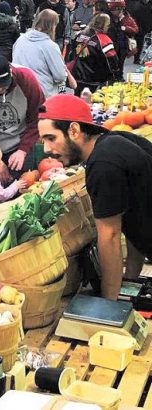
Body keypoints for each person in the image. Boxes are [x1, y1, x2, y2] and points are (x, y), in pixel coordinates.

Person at [37, 94, 152, 300]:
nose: (46, 150)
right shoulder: (117, 141)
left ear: (74, 130)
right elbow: (136, 217)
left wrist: (108, 306)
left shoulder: (102, 166)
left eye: (51, 138)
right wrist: (131, 280)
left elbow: (110, 238)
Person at [12, 9, 72, 98]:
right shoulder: (51, 46)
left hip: (19, 91)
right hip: (42, 94)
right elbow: (60, 75)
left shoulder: (20, 39)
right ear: (53, 26)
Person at [71, 13, 120, 95]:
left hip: (77, 75)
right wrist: (115, 75)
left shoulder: (81, 34)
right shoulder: (104, 40)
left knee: (78, 98)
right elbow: (112, 61)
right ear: (106, 25)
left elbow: (72, 52)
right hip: (95, 78)